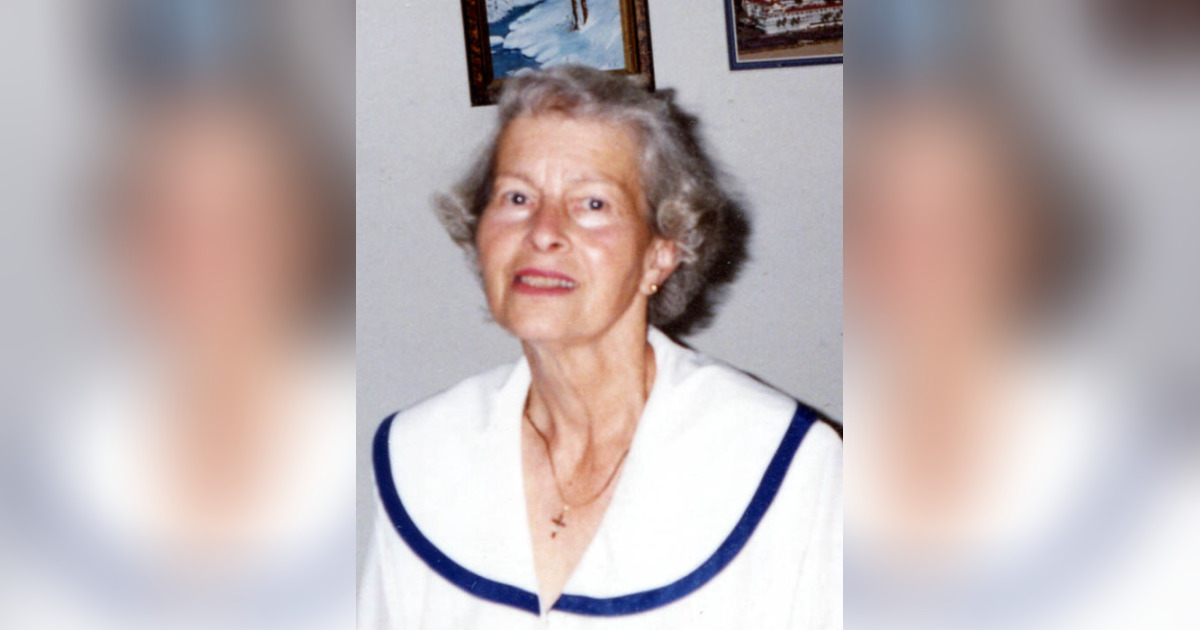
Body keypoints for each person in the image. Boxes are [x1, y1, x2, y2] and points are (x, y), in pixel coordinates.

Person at [360, 65, 843, 629]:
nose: (543, 231)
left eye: (592, 204)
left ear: (660, 255)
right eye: (517, 197)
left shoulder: (786, 462)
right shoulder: (421, 453)